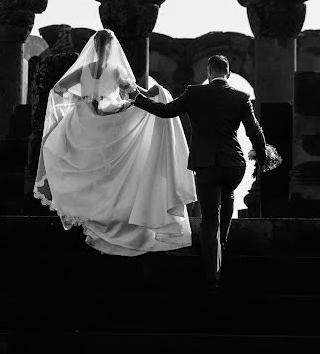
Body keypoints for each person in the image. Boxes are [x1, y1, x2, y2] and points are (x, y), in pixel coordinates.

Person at [33, 29, 197, 256]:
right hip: (110, 123)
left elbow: (59, 89)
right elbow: (137, 95)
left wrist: (81, 100)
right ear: (111, 48)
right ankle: (111, 216)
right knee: (111, 172)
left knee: (84, 169)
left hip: (83, 123)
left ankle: (91, 215)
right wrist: (157, 92)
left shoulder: (83, 70)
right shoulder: (116, 71)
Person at [129, 54, 267, 291]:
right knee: (228, 196)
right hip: (234, 164)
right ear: (229, 73)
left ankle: (211, 277)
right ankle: (222, 245)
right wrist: (262, 160)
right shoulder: (241, 97)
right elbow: (255, 133)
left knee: (209, 220)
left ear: (209, 72)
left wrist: (136, 99)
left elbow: (165, 111)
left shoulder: (195, 93)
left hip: (206, 165)